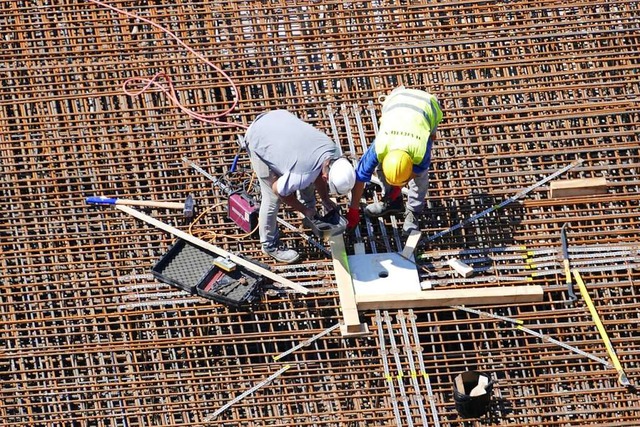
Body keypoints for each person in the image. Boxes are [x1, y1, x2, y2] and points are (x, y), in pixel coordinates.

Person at [245, 110, 356, 263]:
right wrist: (303, 209)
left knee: (305, 177)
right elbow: (279, 190)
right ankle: (269, 244)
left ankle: (309, 212)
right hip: (258, 137)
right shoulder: (304, 174)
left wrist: (325, 198)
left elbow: (317, 169)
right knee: (271, 199)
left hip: (275, 119)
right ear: (326, 176)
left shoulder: (333, 151)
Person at [346, 86, 443, 235]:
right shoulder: (380, 147)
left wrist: (399, 185)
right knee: (380, 167)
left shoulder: (420, 152)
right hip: (397, 99)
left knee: (420, 181)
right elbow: (360, 177)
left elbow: (417, 172)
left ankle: (413, 212)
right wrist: (353, 209)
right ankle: (394, 202)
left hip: (427, 106)